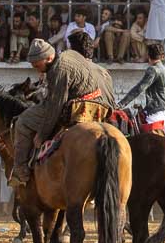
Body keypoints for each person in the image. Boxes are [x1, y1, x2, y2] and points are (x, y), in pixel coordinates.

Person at [8, 38, 115, 187]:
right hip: (102, 107)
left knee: (22, 122)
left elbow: (55, 106)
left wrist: (42, 135)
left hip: (79, 106)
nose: (36, 68)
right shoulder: (70, 55)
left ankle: (21, 171)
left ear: (49, 57)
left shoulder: (58, 69)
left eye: (37, 64)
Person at [118, 43, 165, 136]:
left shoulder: (153, 70)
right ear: (162, 56)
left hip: (156, 113)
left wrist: (121, 104)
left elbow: (139, 88)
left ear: (148, 56)